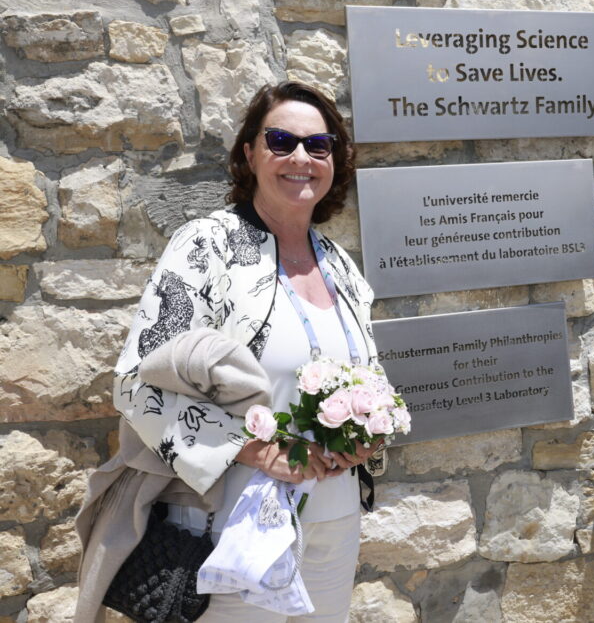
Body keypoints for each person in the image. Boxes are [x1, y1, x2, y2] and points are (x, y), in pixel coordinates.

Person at [76, 80, 380, 622]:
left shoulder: (340, 266)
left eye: (318, 145)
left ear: (335, 157)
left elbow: (369, 377)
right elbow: (134, 384)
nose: (300, 158)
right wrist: (255, 449)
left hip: (334, 524)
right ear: (250, 153)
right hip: (231, 526)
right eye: (281, 140)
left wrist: (367, 435)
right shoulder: (206, 246)